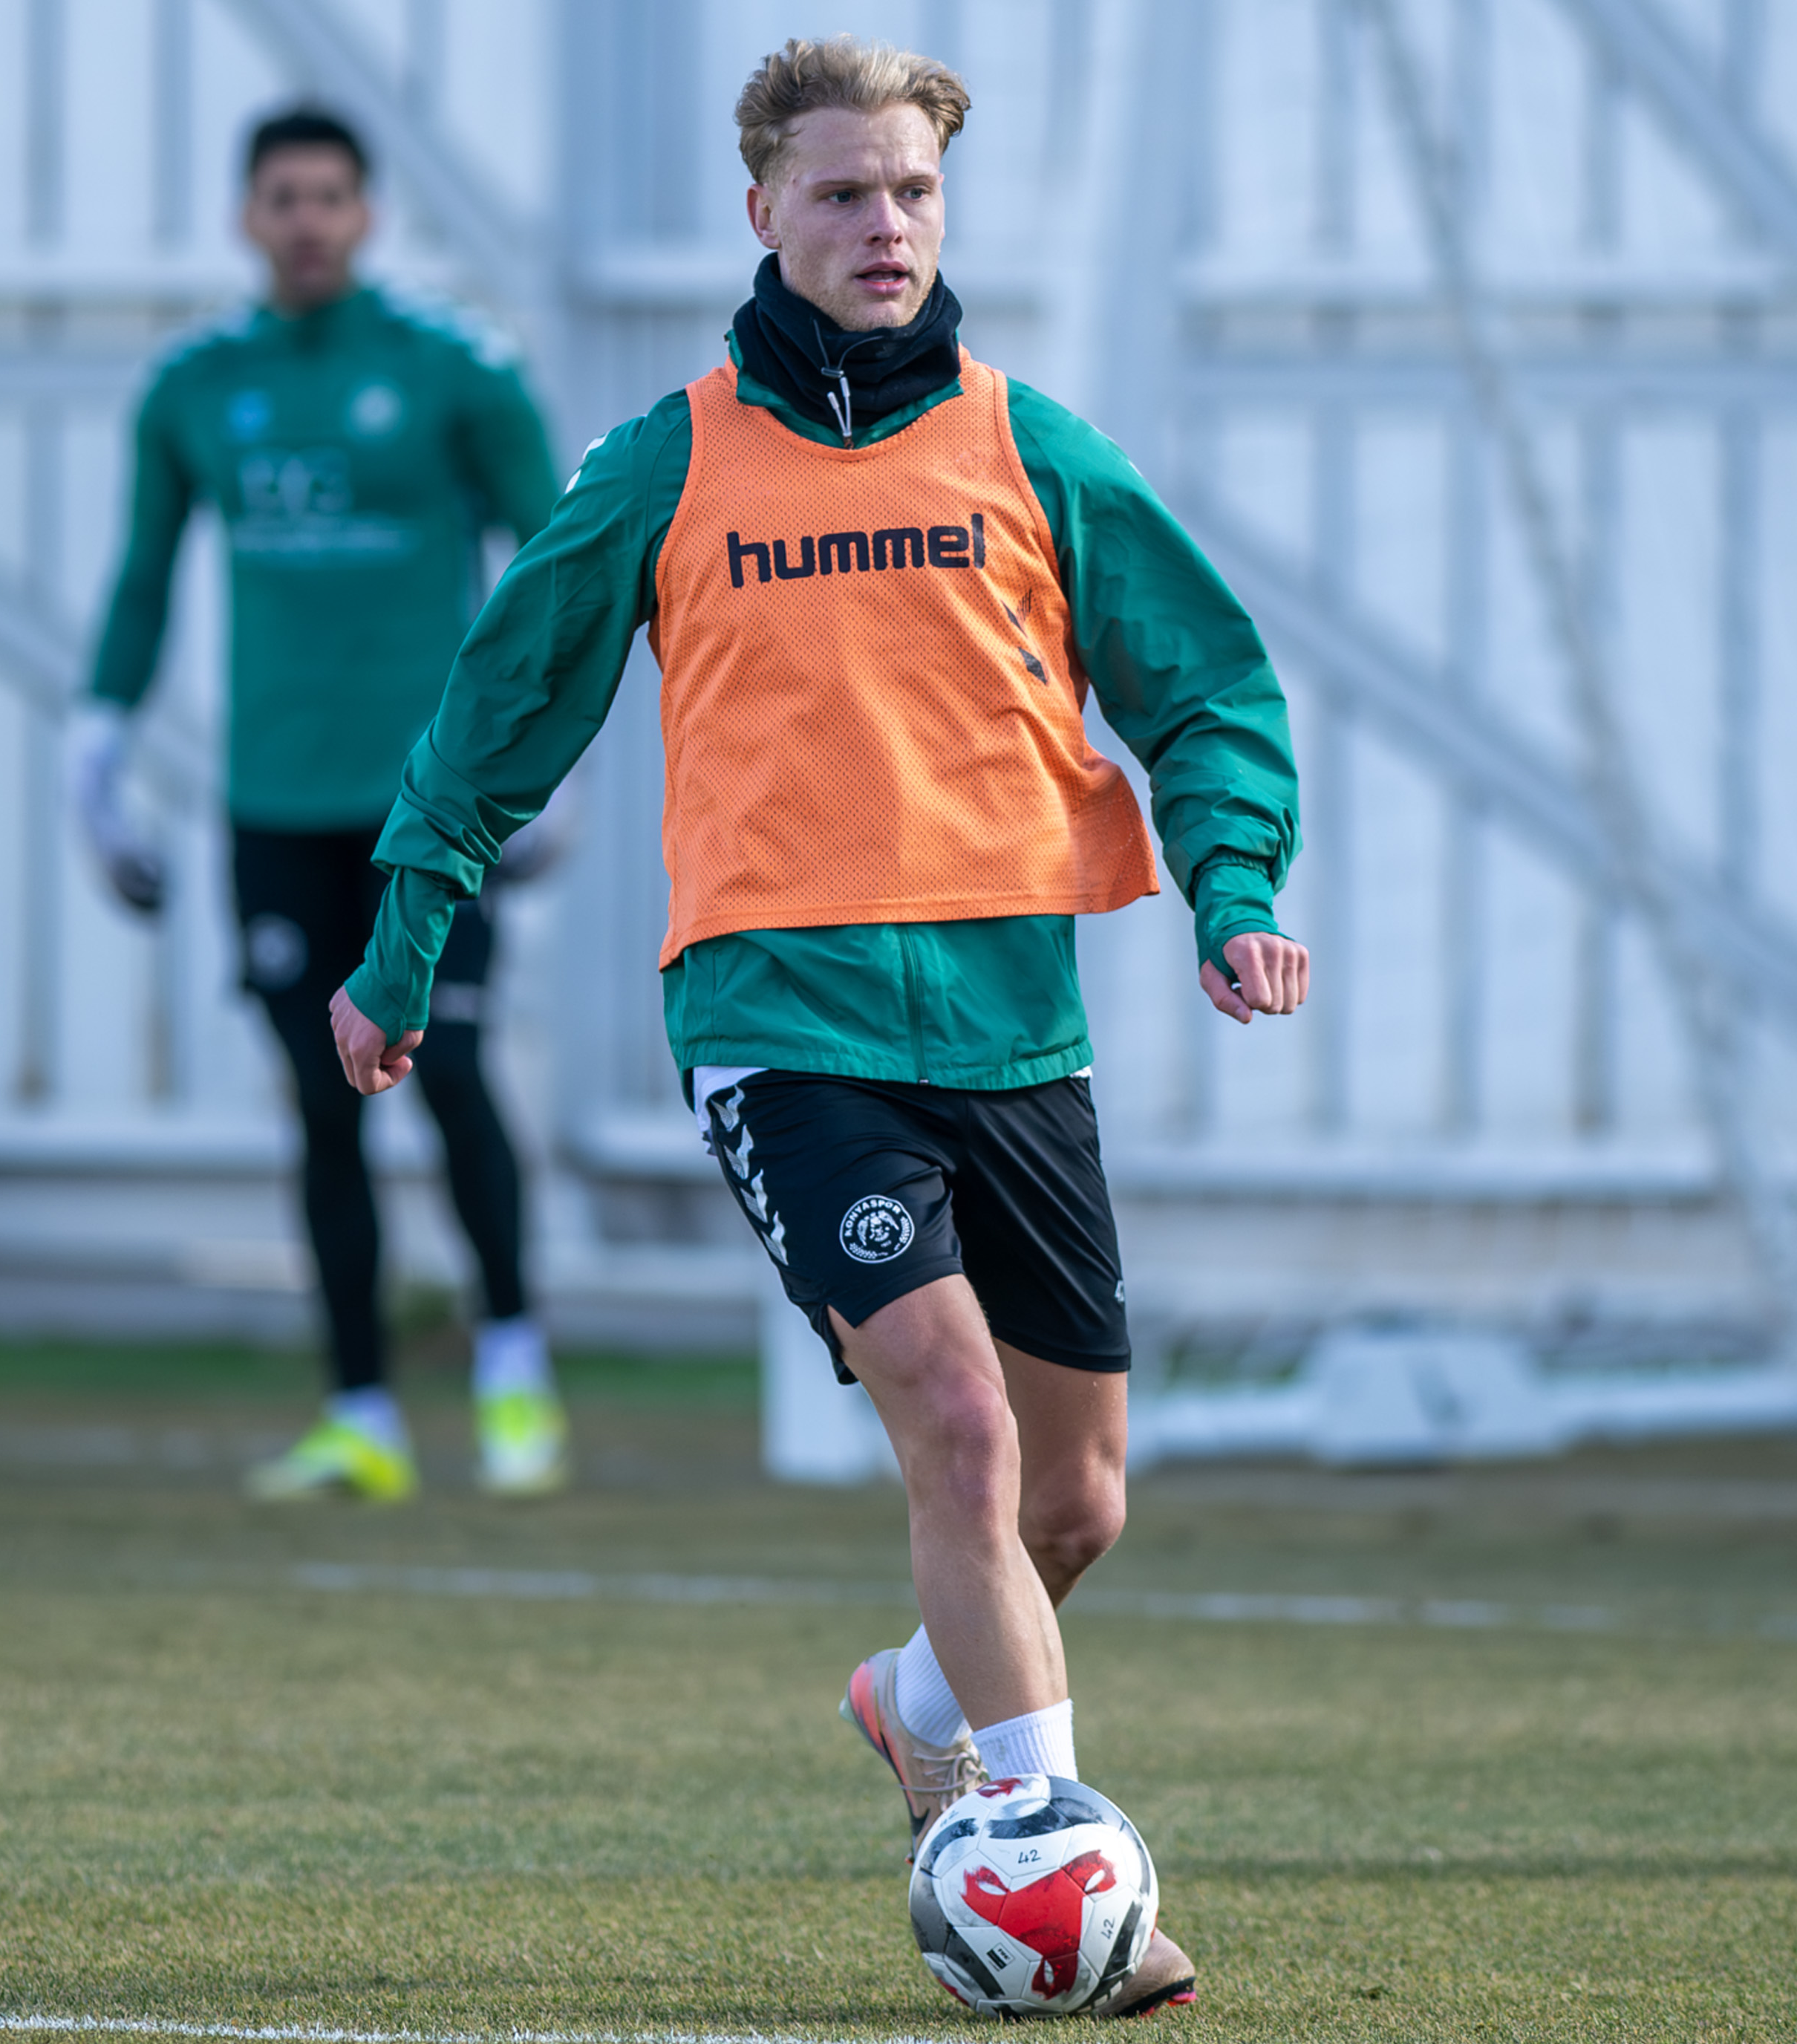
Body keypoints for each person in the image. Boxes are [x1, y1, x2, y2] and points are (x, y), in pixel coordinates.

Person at [329, 37, 1305, 2014]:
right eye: (844, 193)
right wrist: (402, 940)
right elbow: (501, 706)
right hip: (781, 1017)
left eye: (912, 193)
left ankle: (916, 1703)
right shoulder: (667, 462)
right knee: (953, 1415)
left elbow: (1205, 689)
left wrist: (1235, 885)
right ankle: (1041, 1865)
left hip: (1012, 1029)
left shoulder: (1036, 448)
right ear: (762, 206)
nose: (883, 226)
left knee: (1072, 1500)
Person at [77, 106, 570, 1502]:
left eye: (330, 197)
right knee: (320, 1099)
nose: (306, 220)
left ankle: (514, 1375)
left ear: (367, 215)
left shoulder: (456, 370)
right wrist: (93, 757)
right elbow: (140, 581)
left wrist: (556, 773)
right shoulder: (196, 388)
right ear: (248, 215)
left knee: (452, 1073)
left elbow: (559, 569)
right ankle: (362, 1411)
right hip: (275, 808)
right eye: (283, 197)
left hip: (435, 810)